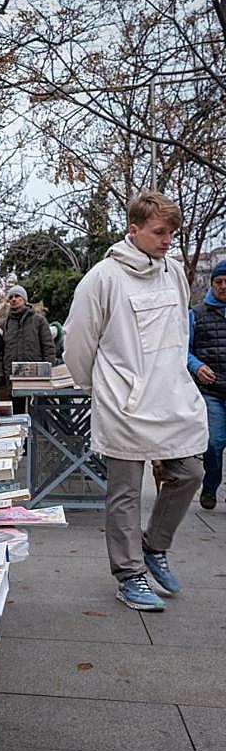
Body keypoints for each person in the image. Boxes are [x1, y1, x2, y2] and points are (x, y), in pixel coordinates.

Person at [65, 191, 206, 612]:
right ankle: (129, 575)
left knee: (190, 473)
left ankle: (153, 546)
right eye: (160, 232)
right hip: (123, 400)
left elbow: (179, 332)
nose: (167, 240)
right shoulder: (103, 278)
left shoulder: (173, 273)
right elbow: (78, 342)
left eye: (171, 233)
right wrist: (98, 386)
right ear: (134, 230)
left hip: (170, 397)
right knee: (125, 492)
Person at [187, 259, 226, 511]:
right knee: (213, 443)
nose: (223, 286)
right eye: (218, 282)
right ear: (211, 284)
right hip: (211, 392)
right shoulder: (196, 314)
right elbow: (183, 350)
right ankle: (210, 486)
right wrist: (197, 366)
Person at [0, 284, 54, 414]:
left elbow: (48, 347)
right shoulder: (5, 324)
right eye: (11, 297)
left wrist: (47, 370)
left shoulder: (39, 321)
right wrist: (0, 375)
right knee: (17, 416)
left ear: (24, 299)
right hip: (12, 378)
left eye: (17, 296)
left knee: (38, 414)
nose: (14, 299)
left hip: (36, 378)